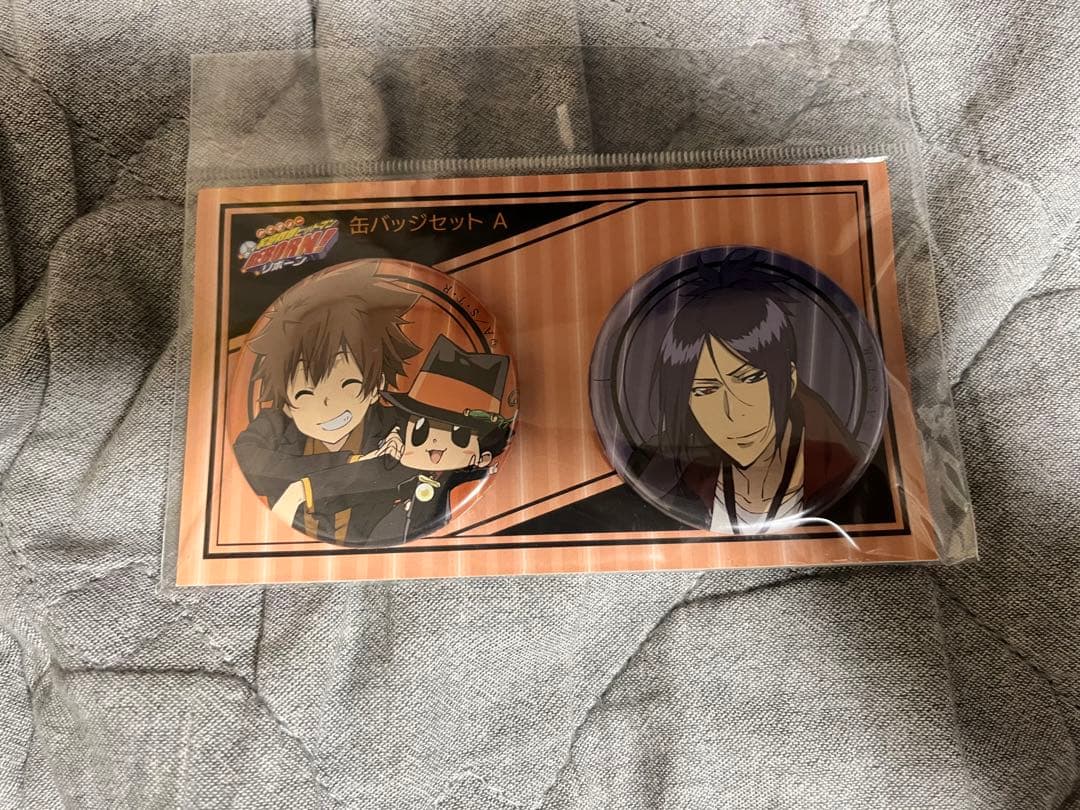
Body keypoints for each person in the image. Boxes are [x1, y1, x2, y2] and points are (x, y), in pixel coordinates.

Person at [640, 258, 862, 534]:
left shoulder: (848, 479)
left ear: (790, 379)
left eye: (749, 379)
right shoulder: (667, 477)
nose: (733, 413)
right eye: (705, 390)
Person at [232, 259, 420, 542]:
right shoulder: (274, 427)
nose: (328, 404)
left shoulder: (401, 424)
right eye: (305, 393)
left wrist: (303, 490)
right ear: (286, 403)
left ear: (376, 386)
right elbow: (246, 463)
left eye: (347, 384)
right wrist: (352, 463)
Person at [272, 335, 514, 545]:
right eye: (420, 430)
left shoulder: (467, 483)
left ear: (483, 456)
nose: (434, 444)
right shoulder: (401, 469)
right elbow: (363, 480)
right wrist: (301, 491)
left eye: (459, 435)